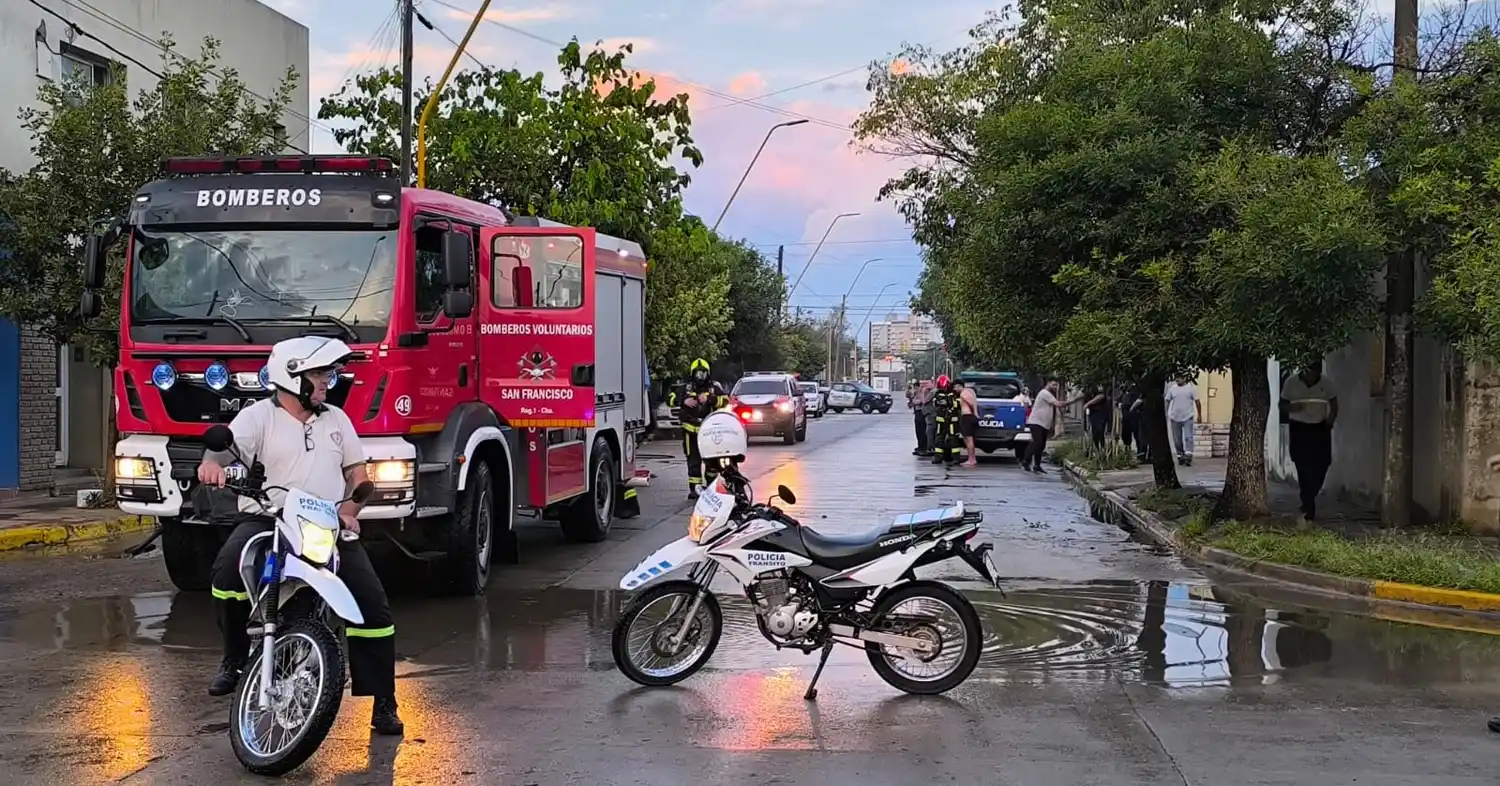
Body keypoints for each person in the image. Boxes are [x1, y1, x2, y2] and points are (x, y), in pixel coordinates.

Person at [200, 336, 402, 735]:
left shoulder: (336, 419)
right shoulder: (258, 417)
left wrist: (350, 509)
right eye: (319, 374)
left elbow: (358, 478)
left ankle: (384, 701)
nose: (328, 380)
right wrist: (211, 465)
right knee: (227, 573)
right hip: (269, 518)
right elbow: (220, 451)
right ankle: (234, 658)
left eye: (328, 373)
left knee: (372, 607)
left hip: (326, 522)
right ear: (292, 377)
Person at [1279, 361, 1337, 523]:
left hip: (1320, 428)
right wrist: (1291, 409)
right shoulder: (1291, 382)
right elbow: (1282, 404)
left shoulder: (1326, 383)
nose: (1311, 376)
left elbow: (1334, 403)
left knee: (1323, 462)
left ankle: (1309, 495)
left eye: (1314, 373)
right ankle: (1308, 506)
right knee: (1303, 465)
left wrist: (1330, 421)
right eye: (1308, 372)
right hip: (1299, 429)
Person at [667, 357, 728, 498]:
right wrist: (683, 401)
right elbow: (669, 399)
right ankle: (695, 490)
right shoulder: (686, 387)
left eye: (703, 373)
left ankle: (711, 488)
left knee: (712, 461)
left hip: (709, 431)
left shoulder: (714, 387)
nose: (700, 377)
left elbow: (725, 400)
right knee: (693, 461)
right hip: (690, 431)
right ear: (692, 373)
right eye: (697, 373)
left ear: (708, 373)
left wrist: (710, 399)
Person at [1021, 377, 1085, 474]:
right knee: (1037, 442)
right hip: (1036, 422)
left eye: (1057, 385)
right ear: (1048, 383)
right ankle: (1026, 461)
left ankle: (1037, 465)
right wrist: (1075, 399)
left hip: (1044, 424)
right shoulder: (1044, 393)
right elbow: (1058, 404)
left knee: (1041, 445)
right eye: (1054, 385)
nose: (1055, 387)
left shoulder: (1049, 394)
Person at [1165, 373, 1201, 466]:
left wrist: (1199, 414)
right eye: (1176, 378)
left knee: (1188, 437)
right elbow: (1167, 400)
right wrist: (1166, 412)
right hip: (1175, 417)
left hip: (1187, 416)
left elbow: (1197, 401)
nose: (1178, 380)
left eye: (1180, 378)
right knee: (1177, 439)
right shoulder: (1172, 389)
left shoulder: (1191, 388)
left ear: (1185, 378)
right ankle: (1180, 455)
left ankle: (1188, 455)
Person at [930, 375, 961, 466]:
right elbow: (935, 403)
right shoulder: (938, 393)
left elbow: (958, 404)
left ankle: (955, 458)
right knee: (939, 438)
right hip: (942, 419)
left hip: (952, 420)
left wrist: (950, 403)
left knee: (953, 439)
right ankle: (938, 456)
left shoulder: (954, 394)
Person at [958, 379, 980, 467]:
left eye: (956, 387)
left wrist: (975, 413)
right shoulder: (970, 392)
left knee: (969, 439)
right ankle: (971, 458)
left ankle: (971, 459)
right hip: (968, 417)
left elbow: (971, 403)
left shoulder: (964, 393)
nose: (955, 389)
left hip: (968, 417)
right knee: (967, 439)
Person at [1084, 384, 1111, 450]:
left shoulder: (1099, 385)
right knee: (1095, 432)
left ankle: (1102, 448)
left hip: (1101, 413)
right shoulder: (1088, 388)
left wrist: (1088, 404)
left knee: (1100, 431)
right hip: (1093, 413)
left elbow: (1101, 396)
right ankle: (1097, 448)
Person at [908, 381, 928, 456]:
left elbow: (923, 401)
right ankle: (920, 446)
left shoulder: (923, 392)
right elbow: (908, 396)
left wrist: (915, 401)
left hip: (922, 412)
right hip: (917, 412)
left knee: (922, 430)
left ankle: (923, 447)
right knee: (918, 430)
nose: (916, 389)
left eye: (917, 387)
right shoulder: (915, 393)